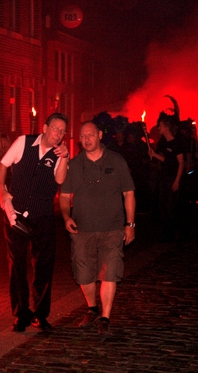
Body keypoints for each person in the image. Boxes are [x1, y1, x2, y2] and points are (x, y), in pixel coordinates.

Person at [59, 121, 135, 334]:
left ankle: (105, 317)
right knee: (84, 275)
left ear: (100, 135)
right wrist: (66, 216)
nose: (86, 140)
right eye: (82, 136)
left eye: (90, 135)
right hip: (82, 229)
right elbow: (64, 196)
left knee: (110, 272)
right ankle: (92, 308)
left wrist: (130, 224)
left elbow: (128, 193)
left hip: (112, 229)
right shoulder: (73, 165)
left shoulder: (116, 160)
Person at [0, 112, 69, 332]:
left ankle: (40, 314)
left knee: (43, 267)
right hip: (15, 215)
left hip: (43, 216)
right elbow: (1, 166)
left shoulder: (60, 154)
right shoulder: (23, 142)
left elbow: (60, 180)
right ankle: (21, 314)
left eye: (62, 131)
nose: (58, 134)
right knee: (17, 265)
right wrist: (1, 191)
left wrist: (65, 157)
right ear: (45, 128)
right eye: (55, 128)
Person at [148, 112, 185, 242]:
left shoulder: (176, 143)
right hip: (164, 178)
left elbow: (181, 163)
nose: (158, 128)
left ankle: (180, 232)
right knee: (162, 206)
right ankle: (167, 235)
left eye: (160, 126)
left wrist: (177, 181)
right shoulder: (165, 143)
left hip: (172, 179)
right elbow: (167, 160)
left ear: (166, 127)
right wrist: (154, 154)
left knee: (171, 207)